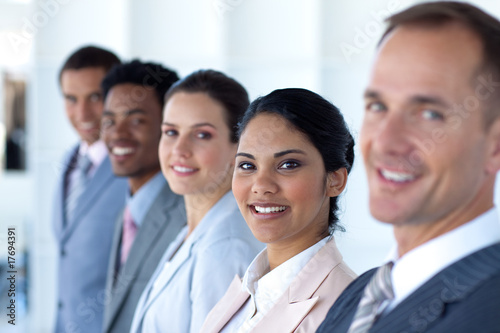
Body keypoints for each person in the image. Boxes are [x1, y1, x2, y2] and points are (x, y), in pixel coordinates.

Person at [317, 2, 500, 332]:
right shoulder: (361, 294)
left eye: (429, 114)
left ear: (495, 145)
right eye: (378, 106)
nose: (386, 140)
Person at [201, 88, 357, 333]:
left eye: (288, 164)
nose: (261, 185)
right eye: (247, 165)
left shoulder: (348, 311)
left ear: (334, 180)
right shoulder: (243, 294)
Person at [129, 69, 264, 333]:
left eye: (201, 135)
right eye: (170, 132)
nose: (179, 149)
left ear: (238, 146)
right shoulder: (194, 230)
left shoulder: (224, 247)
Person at [100, 60, 186, 333]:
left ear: (169, 126)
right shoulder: (125, 212)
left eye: (136, 120)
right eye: (109, 121)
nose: (117, 133)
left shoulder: (188, 216)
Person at [53, 46, 127, 333]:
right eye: (71, 99)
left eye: (94, 97)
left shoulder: (136, 168)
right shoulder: (69, 161)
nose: (82, 112)